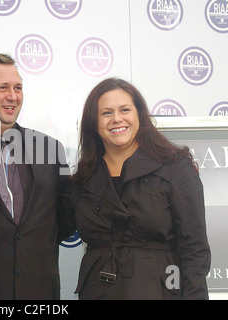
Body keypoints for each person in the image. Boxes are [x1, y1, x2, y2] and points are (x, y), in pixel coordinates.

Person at [67, 77, 211, 299]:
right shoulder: (82, 179)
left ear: (139, 115)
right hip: (98, 292)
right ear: (93, 123)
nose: (117, 119)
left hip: (158, 292)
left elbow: (195, 249)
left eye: (125, 110)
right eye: (106, 113)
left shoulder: (175, 167)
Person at [0, 53, 76, 299]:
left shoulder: (49, 149)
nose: (13, 96)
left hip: (38, 293)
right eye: (2, 88)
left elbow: (64, 219)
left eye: (18, 87)